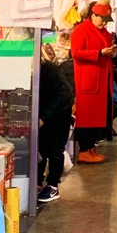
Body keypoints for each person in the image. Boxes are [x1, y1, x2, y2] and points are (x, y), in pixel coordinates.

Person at [70, 2, 117, 164]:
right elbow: (76, 53)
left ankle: (91, 148)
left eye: (106, 20)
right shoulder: (80, 31)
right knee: (87, 116)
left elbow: (106, 51)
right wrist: (99, 53)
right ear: (93, 15)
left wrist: (112, 53)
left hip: (102, 79)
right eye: (102, 19)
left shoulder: (105, 33)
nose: (104, 23)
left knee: (98, 116)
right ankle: (85, 151)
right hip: (88, 80)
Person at [37, 40, 74, 204]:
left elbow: (61, 95)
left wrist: (43, 118)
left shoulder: (49, 70)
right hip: (44, 112)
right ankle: (38, 182)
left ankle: (53, 185)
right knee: (39, 148)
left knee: (55, 149)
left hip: (60, 112)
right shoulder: (31, 71)